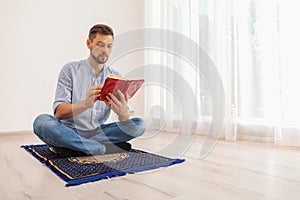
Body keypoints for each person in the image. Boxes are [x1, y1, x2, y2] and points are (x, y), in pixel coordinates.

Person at [33, 24, 146, 156]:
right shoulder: (70, 70)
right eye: (100, 44)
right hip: (68, 130)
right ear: (89, 43)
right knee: (41, 122)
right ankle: (101, 148)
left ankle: (74, 146)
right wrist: (85, 104)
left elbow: (126, 120)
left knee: (139, 125)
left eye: (109, 46)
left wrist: (124, 114)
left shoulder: (115, 77)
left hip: (99, 132)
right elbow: (59, 113)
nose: (105, 50)